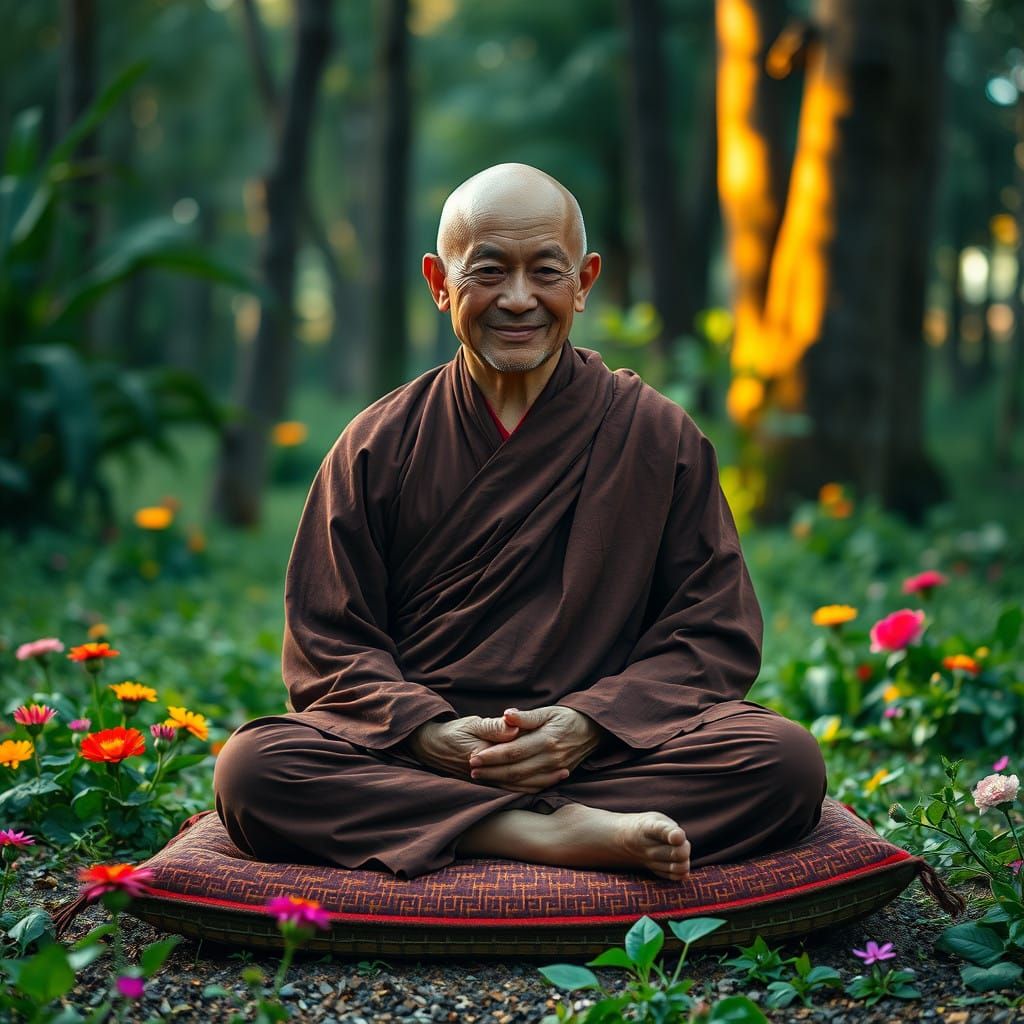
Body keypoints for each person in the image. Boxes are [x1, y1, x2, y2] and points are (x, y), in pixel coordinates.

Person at [213, 163, 827, 882]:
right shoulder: (378, 444)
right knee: (255, 770)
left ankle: (475, 827)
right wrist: (428, 734)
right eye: (488, 271)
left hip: (603, 753)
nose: (517, 298)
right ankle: (546, 833)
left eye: (545, 271)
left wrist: (587, 724)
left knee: (784, 761)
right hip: (426, 755)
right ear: (439, 283)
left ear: (584, 282)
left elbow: (711, 631)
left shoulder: (655, 436)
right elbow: (329, 642)